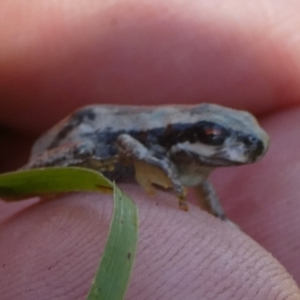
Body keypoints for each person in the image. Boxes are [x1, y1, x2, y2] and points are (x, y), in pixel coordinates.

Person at [0, 1, 300, 299]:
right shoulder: (158, 141)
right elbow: (124, 142)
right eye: (214, 135)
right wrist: (150, 160)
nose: (234, 146)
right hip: (87, 140)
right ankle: (33, 176)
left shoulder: (192, 164)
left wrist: (221, 220)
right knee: (85, 149)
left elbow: (200, 183)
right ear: (187, 134)